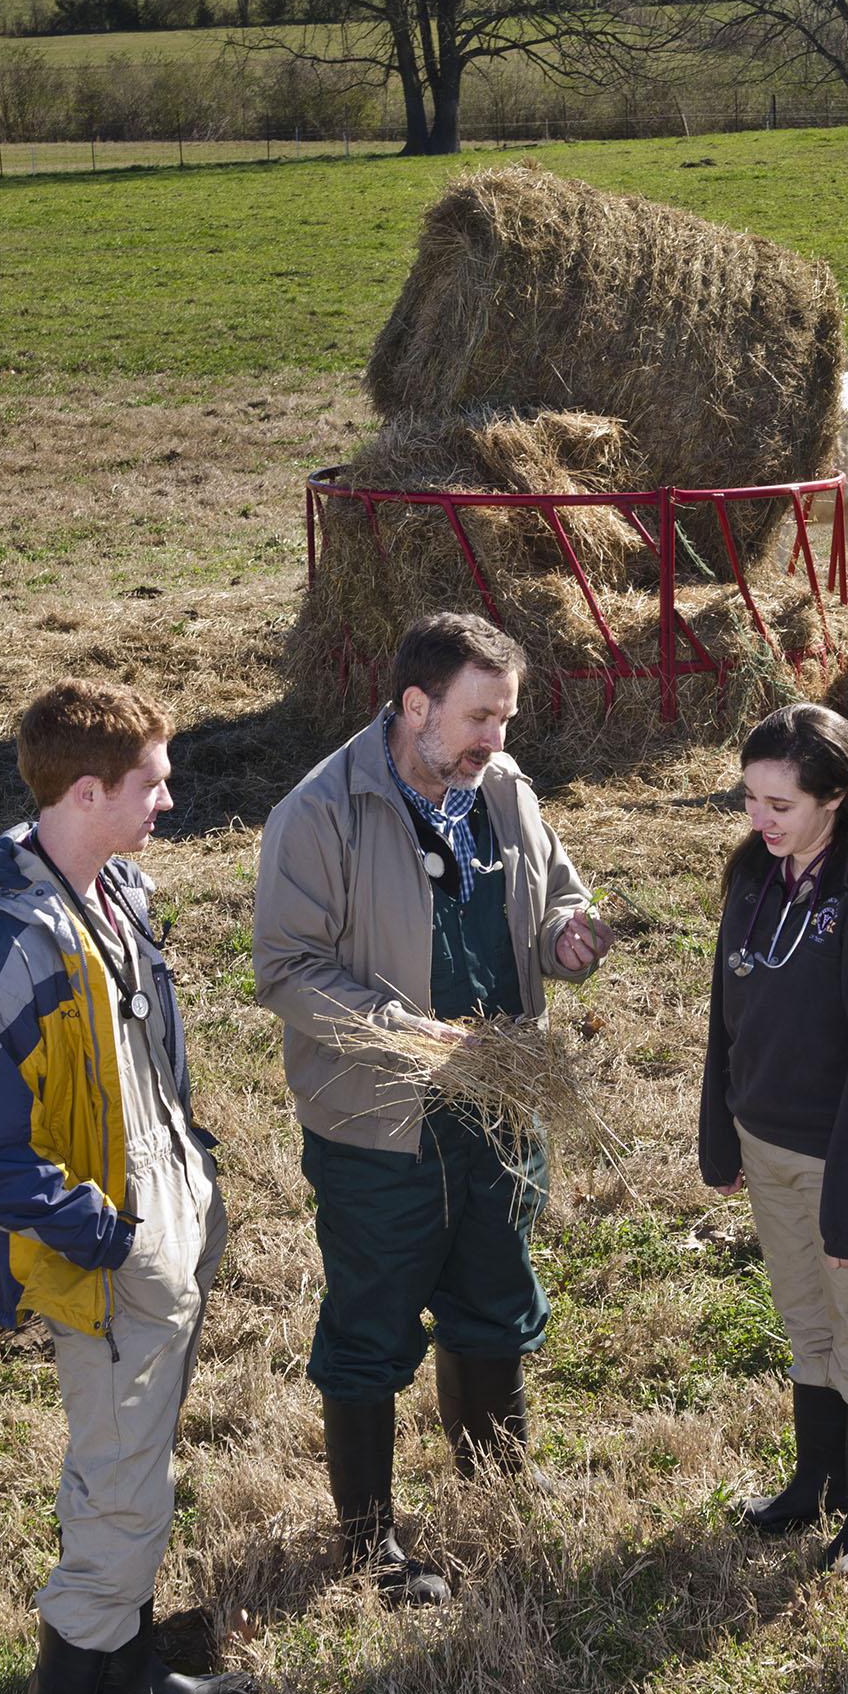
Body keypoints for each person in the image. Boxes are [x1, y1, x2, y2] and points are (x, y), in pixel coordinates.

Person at [0, 680, 258, 1694]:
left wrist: (188, 1177)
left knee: (145, 1452)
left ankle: (127, 1675)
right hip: (108, 1244)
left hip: (164, 1206)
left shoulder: (112, 886)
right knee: (119, 1488)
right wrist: (106, 1237)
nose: (171, 797)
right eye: (153, 783)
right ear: (85, 792)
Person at [253, 612, 614, 1606]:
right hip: (379, 1126)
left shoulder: (503, 791)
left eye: (505, 716)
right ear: (414, 707)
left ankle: (495, 1494)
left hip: (499, 1109)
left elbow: (556, 901)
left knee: (493, 1292)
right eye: (478, 716)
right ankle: (369, 1549)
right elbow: (285, 972)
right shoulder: (322, 813)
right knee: (370, 1324)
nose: (495, 739)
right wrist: (410, 1035)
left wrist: (568, 938)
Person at [699, 703, 848, 1580]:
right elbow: (729, 1017)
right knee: (808, 1323)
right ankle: (817, 1483)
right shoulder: (755, 877)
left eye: (780, 805)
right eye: (750, 799)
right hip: (769, 1147)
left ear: (836, 798)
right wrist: (720, 1135)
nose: (759, 820)